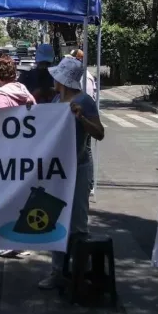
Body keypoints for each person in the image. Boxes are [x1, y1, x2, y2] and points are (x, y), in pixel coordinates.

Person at [37, 57, 104, 290]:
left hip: (79, 168)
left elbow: (99, 133)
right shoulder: (57, 99)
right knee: (55, 220)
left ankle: (79, 272)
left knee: (77, 224)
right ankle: (58, 271)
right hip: (59, 170)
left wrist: (81, 118)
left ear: (63, 80)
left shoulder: (84, 101)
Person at [0, 54, 37, 258]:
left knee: (4, 197)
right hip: (25, 151)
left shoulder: (0, 95)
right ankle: (19, 240)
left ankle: (7, 241)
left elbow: (0, 125)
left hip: (6, 154)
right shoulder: (24, 92)